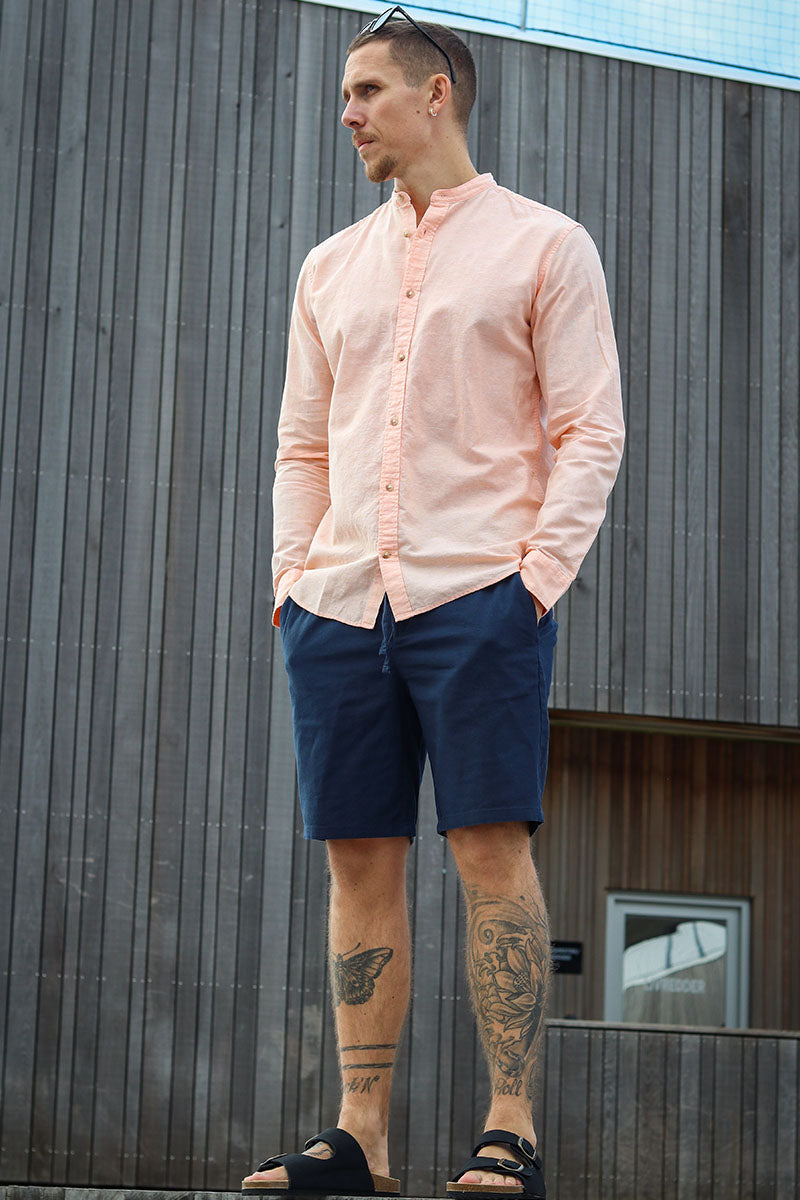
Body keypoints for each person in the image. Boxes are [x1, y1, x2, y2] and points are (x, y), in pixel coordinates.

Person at [243, 7, 624, 1198]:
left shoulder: (543, 246)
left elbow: (589, 430)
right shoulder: (327, 267)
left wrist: (532, 584)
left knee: (487, 850)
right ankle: (358, 1138)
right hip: (336, 604)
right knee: (357, 862)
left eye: (365, 92)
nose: (347, 114)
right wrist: (292, 580)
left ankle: (508, 1129)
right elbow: (301, 444)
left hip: (478, 595)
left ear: (434, 94)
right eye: (344, 96)